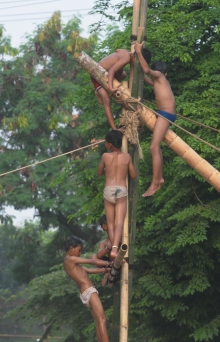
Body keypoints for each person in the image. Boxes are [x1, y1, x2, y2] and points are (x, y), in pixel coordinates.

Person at [63, 236, 127, 342]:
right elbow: (91, 262)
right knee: (102, 319)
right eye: (79, 250)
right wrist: (111, 263)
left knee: (99, 321)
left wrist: (106, 270)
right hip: (89, 291)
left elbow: (90, 270)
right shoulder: (69, 259)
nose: (80, 253)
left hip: (85, 293)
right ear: (71, 248)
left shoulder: (73, 264)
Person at [134, 41, 176, 197]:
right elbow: (145, 76)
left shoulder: (158, 76)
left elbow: (146, 70)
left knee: (153, 147)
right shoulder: (160, 80)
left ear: (159, 73)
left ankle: (156, 181)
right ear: (166, 73)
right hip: (164, 114)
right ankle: (158, 179)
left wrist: (138, 51)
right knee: (155, 147)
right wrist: (135, 64)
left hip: (165, 115)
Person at [98, 130, 137, 260]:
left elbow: (99, 172)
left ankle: (113, 249)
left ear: (110, 144)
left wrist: (108, 171)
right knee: (119, 222)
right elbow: (133, 175)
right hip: (121, 189)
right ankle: (115, 249)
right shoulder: (126, 157)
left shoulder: (105, 156)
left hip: (108, 189)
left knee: (111, 222)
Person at [92, 48, 152, 130]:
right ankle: (114, 128)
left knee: (124, 74)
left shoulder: (127, 53)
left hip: (108, 72)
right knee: (107, 101)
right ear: (135, 57)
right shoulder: (126, 58)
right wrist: (111, 87)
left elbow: (117, 50)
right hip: (98, 75)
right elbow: (112, 70)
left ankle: (105, 87)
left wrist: (154, 83)